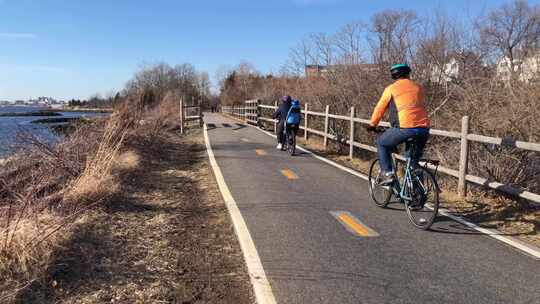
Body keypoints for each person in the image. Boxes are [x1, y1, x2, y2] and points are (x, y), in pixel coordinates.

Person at [367, 64, 430, 185]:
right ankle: (416, 196)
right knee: (413, 162)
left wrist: (373, 124)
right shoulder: (418, 87)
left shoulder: (391, 88)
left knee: (382, 143)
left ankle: (387, 173)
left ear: (393, 75)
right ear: (408, 74)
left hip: (405, 128)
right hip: (423, 129)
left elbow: (380, 108)